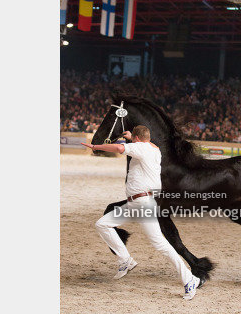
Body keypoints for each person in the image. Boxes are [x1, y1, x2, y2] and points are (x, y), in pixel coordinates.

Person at [81, 125, 200, 300]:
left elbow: (119, 148)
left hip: (143, 204)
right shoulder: (153, 148)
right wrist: (132, 138)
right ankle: (125, 260)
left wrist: (95, 146)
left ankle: (189, 279)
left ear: (137, 139)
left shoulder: (141, 148)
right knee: (102, 224)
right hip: (135, 204)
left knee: (160, 244)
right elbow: (145, 143)